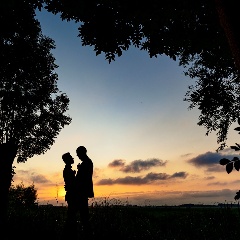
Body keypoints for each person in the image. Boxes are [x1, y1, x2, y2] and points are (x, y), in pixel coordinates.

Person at [75, 146, 94, 234]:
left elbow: (83, 178)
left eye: (78, 153)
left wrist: (80, 169)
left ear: (82, 153)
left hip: (82, 191)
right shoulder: (86, 162)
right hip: (83, 191)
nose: (77, 155)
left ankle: (86, 232)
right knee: (83, 213)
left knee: (83, 214)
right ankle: (86, 231)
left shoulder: (86, 163)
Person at [62, 152, 77, 229]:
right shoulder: (67, 170)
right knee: (71, 215)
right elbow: (71, 184)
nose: (73, 158)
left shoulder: (68, 170)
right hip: (72, 194)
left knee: (71, 214)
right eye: (71, 157)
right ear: (67, 160)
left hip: (71, 194)